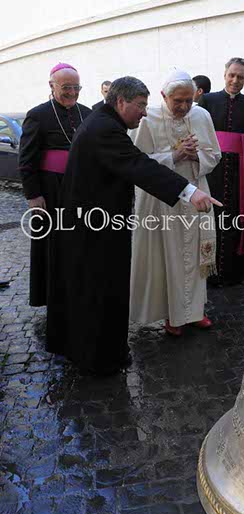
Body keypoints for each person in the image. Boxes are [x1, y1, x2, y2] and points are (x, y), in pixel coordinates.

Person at [46, 76, 220, 376]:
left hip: (94, 222)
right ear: (120, 101)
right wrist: (190, 192)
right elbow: (139, 165)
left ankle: (96, 352)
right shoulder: (105, 129)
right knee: (99, 292)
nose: (143, 112)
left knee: (93, 290)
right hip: (95, 227)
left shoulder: (102, 121)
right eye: (139, 105)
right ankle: (100, 359)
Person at [130, 69, 221, 336]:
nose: (183, 107)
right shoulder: (148, 119)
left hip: (196, 195)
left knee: (195, 254)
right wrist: (175, 155)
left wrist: (195, 156)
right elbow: (137, 163)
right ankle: (172, 315)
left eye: (188, 100)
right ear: (163, 96)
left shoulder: (201, 116)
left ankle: (194, 312)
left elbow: (214, 154)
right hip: (162, 200)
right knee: (167, 257)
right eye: (177, 101)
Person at [19, 62, 91, 306]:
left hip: (81, 188)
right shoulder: (37, 115)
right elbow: (26, 159)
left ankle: (77, 291)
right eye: (66, 87)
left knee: (80, 241)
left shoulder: (87, 113)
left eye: (76, 87)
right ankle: (52, 296)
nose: (72, 93)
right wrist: (33, 195)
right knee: (51, 244)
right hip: (50, 190)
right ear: (52, 86)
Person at [198, 57, 244, 285]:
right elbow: (198, 133)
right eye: (232, 75)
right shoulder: (208, 100)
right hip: (212, 170)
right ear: (225, 74)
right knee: (212, 218)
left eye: (240, 77)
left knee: (238, 218)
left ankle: (236, 271)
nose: (235, 80)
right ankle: (209, 270)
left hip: (239, 174)